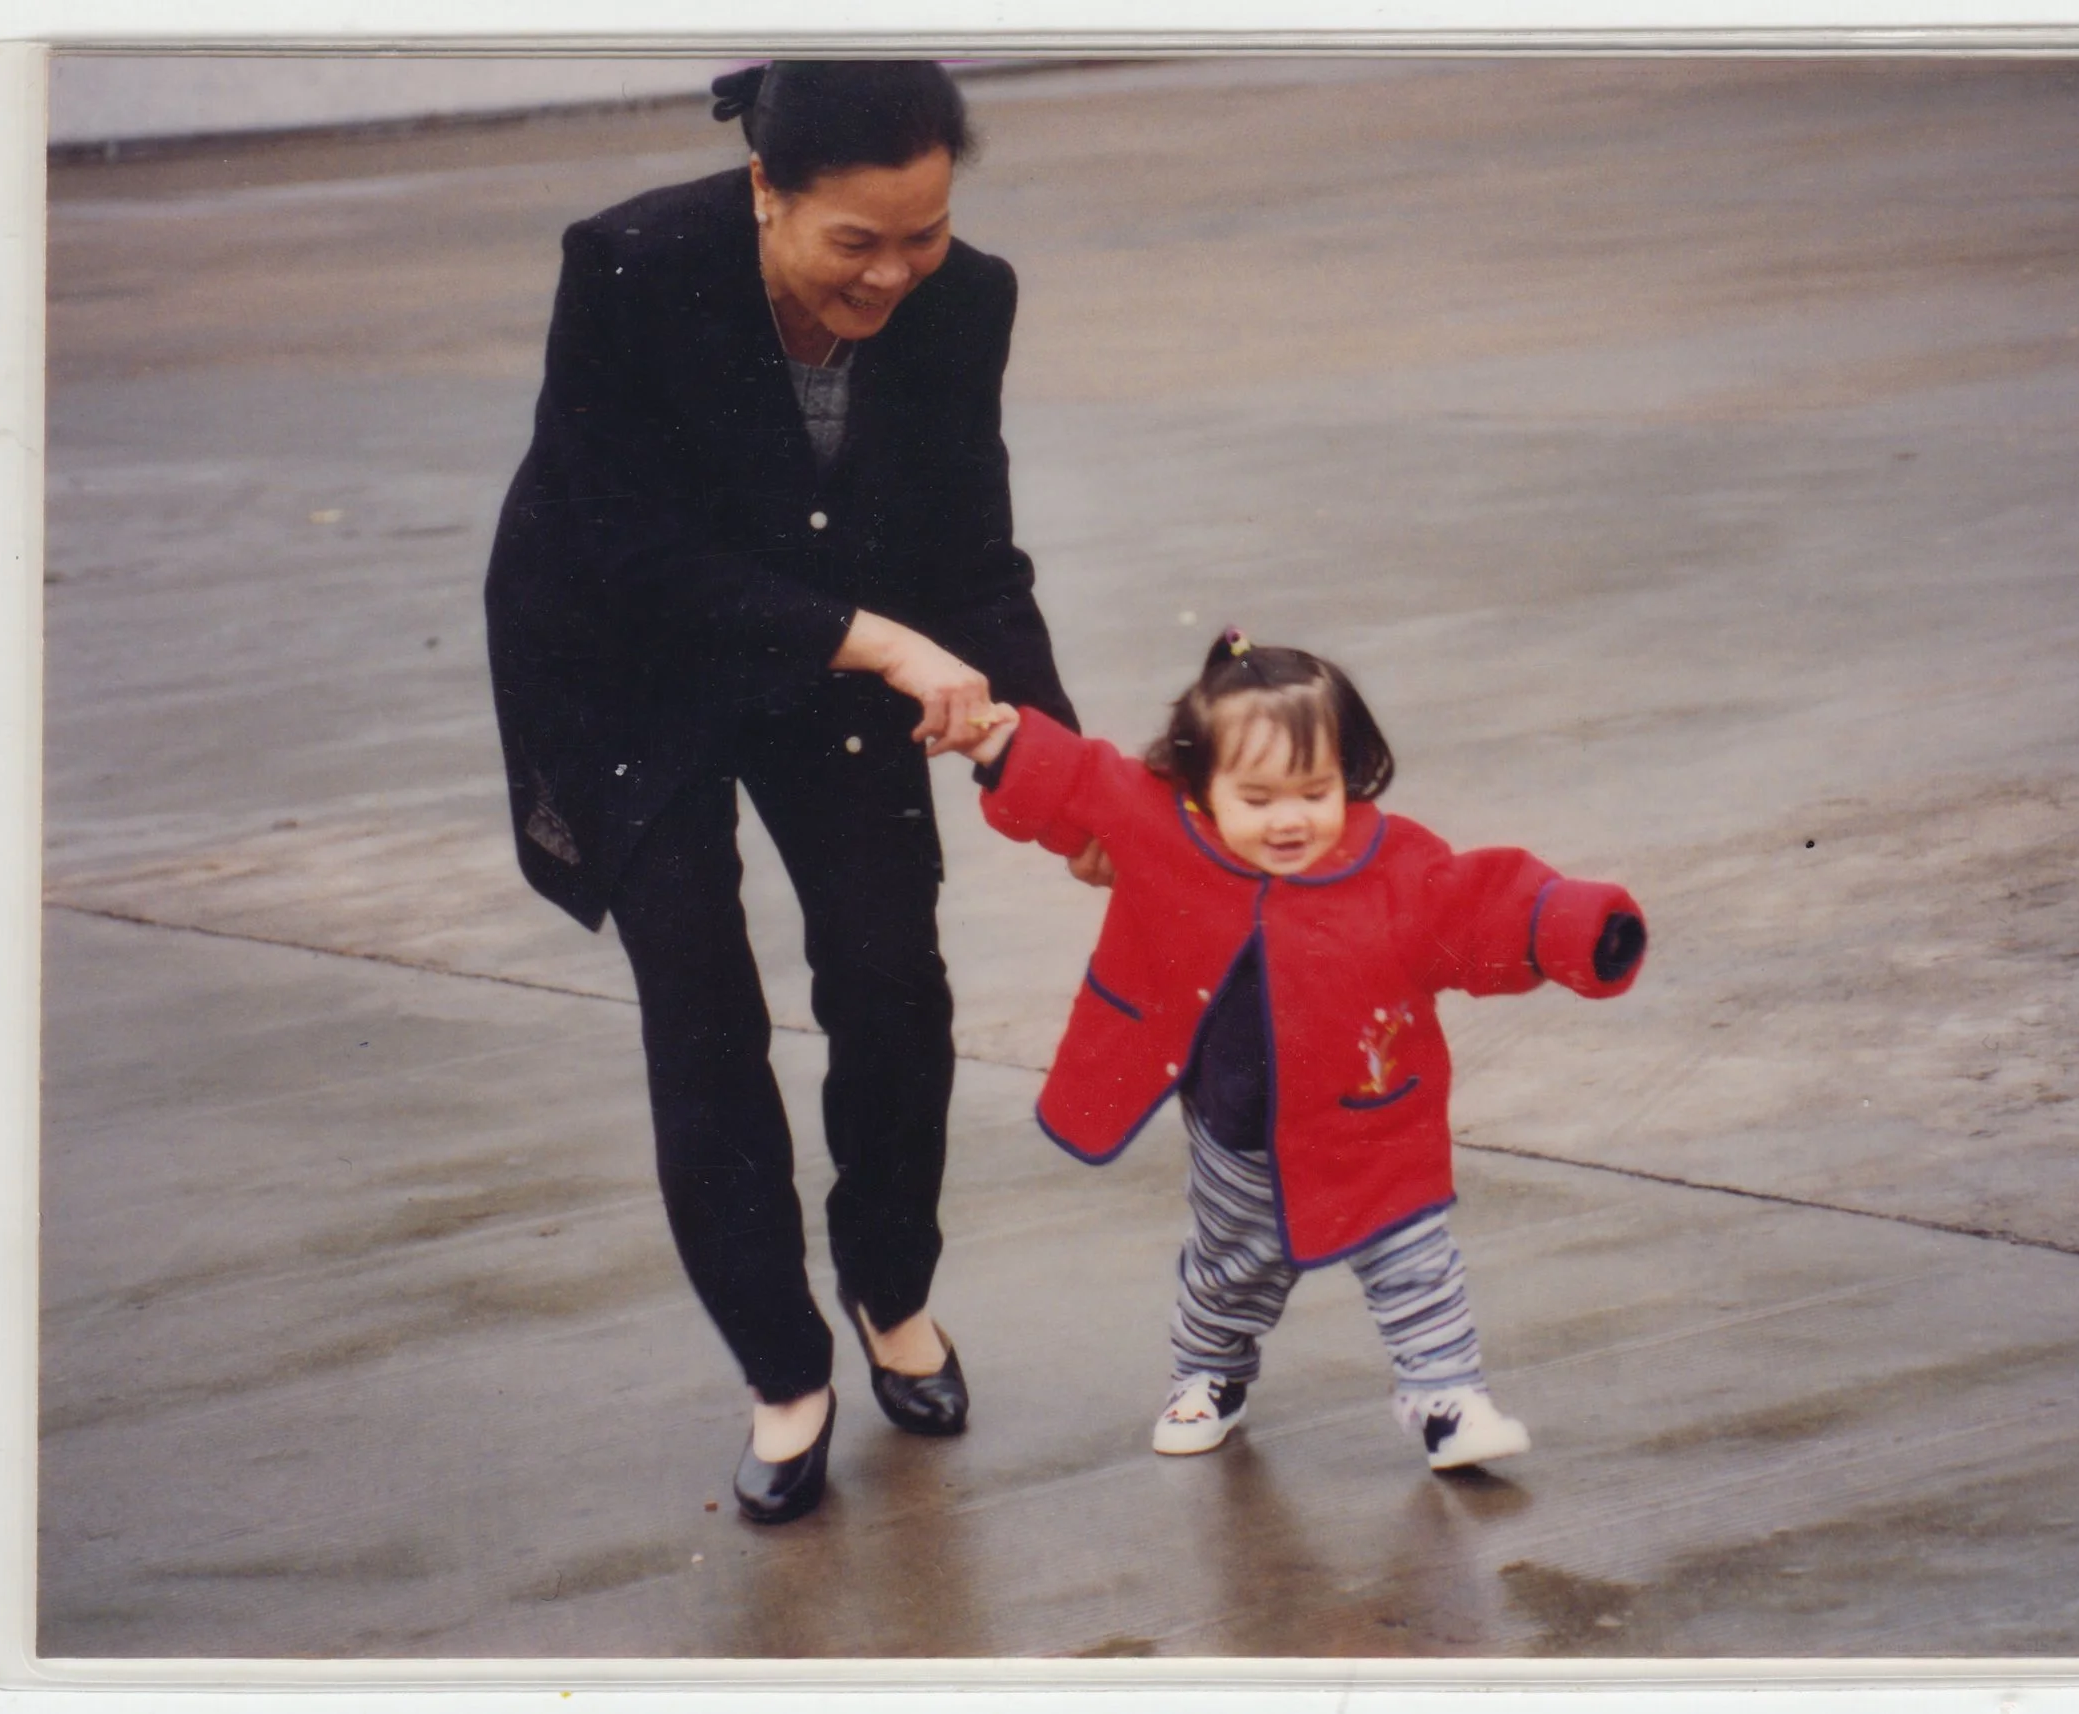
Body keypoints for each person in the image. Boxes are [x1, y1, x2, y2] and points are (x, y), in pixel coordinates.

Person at [483, 60, 1090, 1527]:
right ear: (768, 191)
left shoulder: (967, 297)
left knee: (893, 975)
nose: (893, 273)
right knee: (702, 1002)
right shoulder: (631, 266)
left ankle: (890, 1290)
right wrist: (878, 640)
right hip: (619, 656)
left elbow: (970, 546)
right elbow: (626, 542)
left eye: (924, 233)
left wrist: (1069, 774)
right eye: (855, 242)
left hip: (830, 643)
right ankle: (781, 1366)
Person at [959, 632, 1647, 1471]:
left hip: (1372, 1121)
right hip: (1236, 1130)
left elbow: (1484, 906)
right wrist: (995, 739)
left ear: (1348, 774)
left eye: (1314, 791)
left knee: (1415, 1262)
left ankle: (1447, 1398)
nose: (1290, 819)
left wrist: (1581, 929)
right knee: (1231, 1269)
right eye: (1257, 798)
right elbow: (1080, 779)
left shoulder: (1395, 870)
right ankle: (1209, 1371)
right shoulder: (1165, 833)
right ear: (1201, 790)